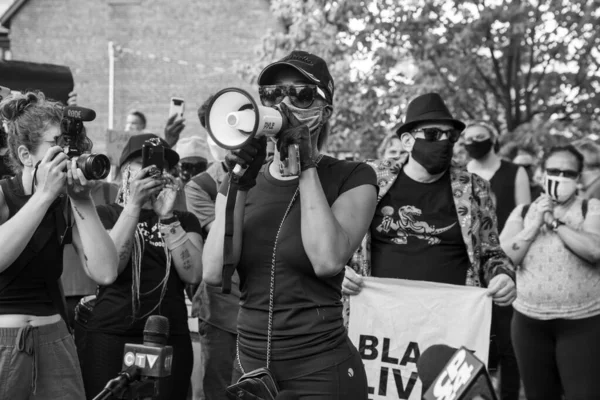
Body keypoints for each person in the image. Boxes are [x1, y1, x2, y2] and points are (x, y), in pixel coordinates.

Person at [203, 50, 378, 399]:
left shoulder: (353, 177)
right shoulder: (240, 177)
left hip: (320, 371)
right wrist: (237, 182)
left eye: (301, 93)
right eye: (271, 93)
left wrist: (306, 165)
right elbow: (212, 271)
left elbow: (327, 260)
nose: (283, 102)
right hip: (250, 367)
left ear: (325, 111)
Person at [343, 93, 516, 328]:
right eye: (433, 134)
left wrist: (502, 275)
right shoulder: (371, 178)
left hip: (450, 322)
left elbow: (491, 253)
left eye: (451, 136)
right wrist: (340, 272)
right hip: (380, 320)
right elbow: (337, 239)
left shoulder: (475, 188)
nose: (444, 142)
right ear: (407, 141)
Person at [0, 91, 118, 399]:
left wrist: (83, 199)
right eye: (57, 146)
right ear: (26, 156)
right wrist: (43, 196)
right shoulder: (3, 195)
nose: (68, 155)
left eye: (72, 149)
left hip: (55, 340)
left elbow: (105, 272)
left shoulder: (67, 204)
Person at [76, 133, 204, 400]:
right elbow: (110, 269)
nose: (153, 171)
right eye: (142, 163)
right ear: (124, 172)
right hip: (112, 335)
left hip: (169, 335)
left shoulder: (184, 219)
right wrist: (134, 204)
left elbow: (193, 273)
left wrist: (167, 216)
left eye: (161, 167)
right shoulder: (105, 214)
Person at [500, 145, 600, 400]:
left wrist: (554, 223)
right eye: (554, 171)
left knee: (584, 395)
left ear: (578, 178)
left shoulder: (592, 208)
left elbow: (593, 251)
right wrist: (533, 225)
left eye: (569, 173)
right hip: (529, 324)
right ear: (541, 174)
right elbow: (505, 259)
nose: (561, 177)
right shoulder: (522, 212)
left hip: (582, 323)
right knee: (539, 395)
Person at [462, 121, 530, 400]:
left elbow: (524, 218)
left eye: (480, 137)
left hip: (504, 265)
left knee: (508, 344)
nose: (474, 142)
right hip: (468, 269)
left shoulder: (516, 172)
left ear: (493, 139)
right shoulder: (461, 173)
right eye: (468, 138)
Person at [185, 97, 237, 400]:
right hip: (222, 311)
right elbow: (228, 235)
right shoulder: (201, 185)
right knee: (219, 390)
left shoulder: (281, 172)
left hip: (273, 308)